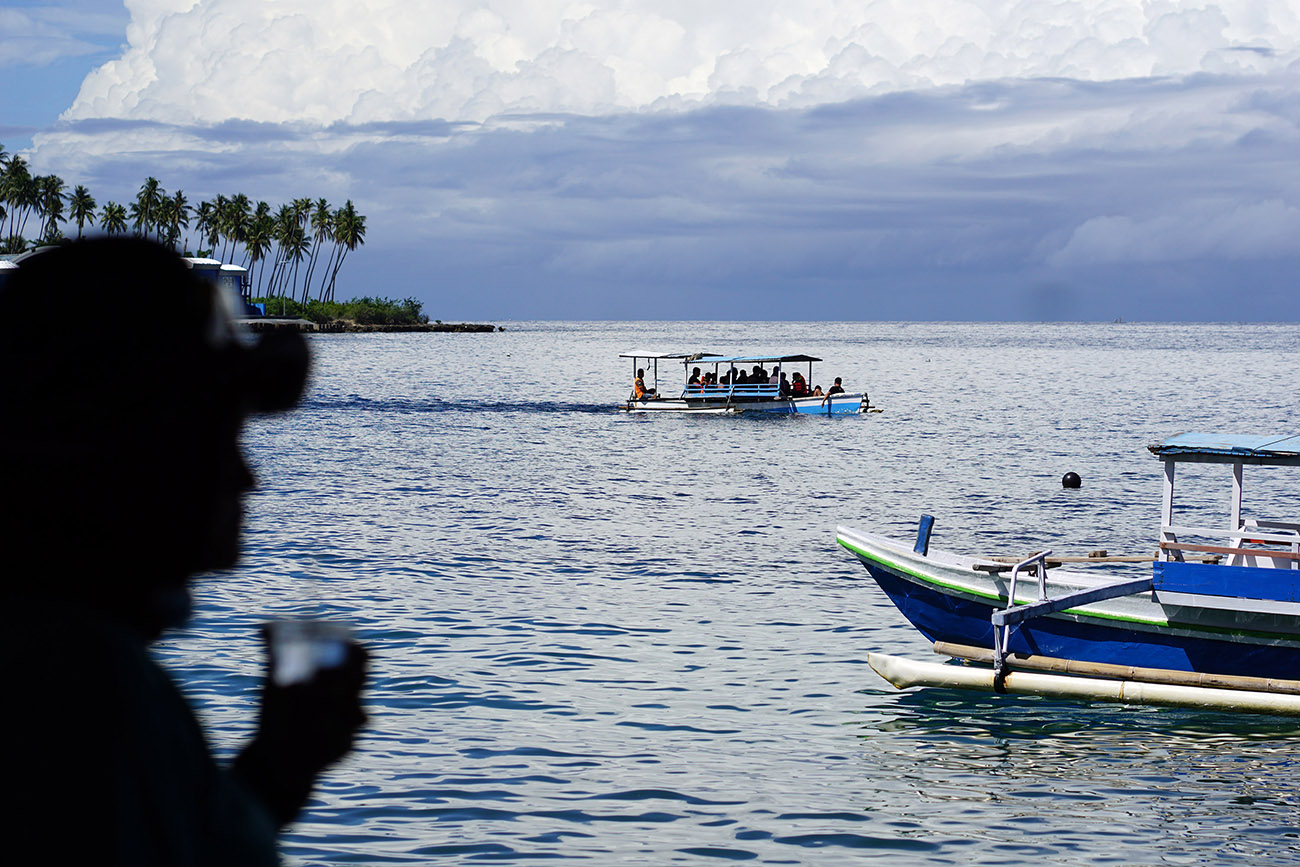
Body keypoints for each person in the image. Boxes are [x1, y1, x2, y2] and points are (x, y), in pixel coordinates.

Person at [1, 238, 368, 866]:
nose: (247, 478)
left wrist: (279, 765)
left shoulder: (73, 659)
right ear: (130, 448)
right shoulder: (77, 682)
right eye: (217, 436)